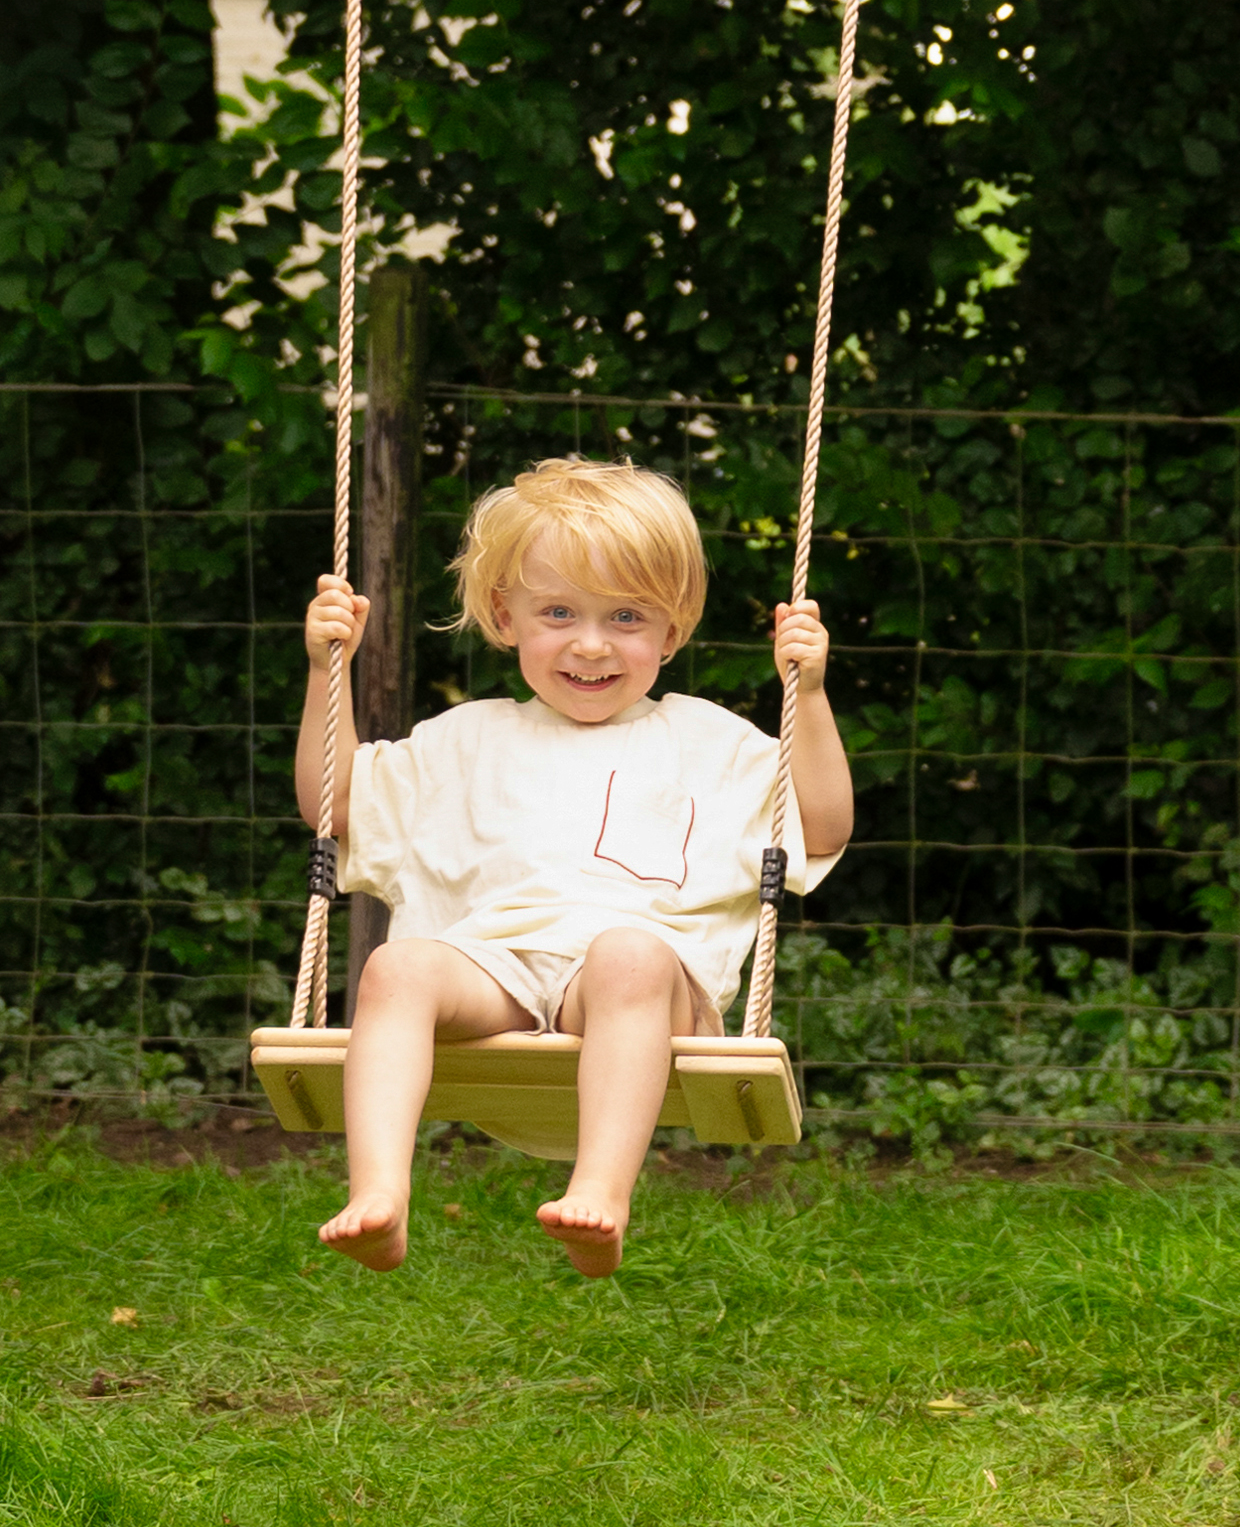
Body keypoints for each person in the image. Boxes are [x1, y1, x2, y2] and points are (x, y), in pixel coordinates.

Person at [294, 456, 848, 1276]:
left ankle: (600, 1198)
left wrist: (809, 693)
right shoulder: (465, 740)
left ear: (672, 630)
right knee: (397, 966)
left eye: (626, 616)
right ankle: (380, 1196)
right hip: (502, 985)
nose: (591, 645)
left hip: (646, 996)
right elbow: (334, 808)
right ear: (503, 614)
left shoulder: (710, 743)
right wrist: (323, 672)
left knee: (627, 951)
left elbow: (822, 824)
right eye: (558, 611)